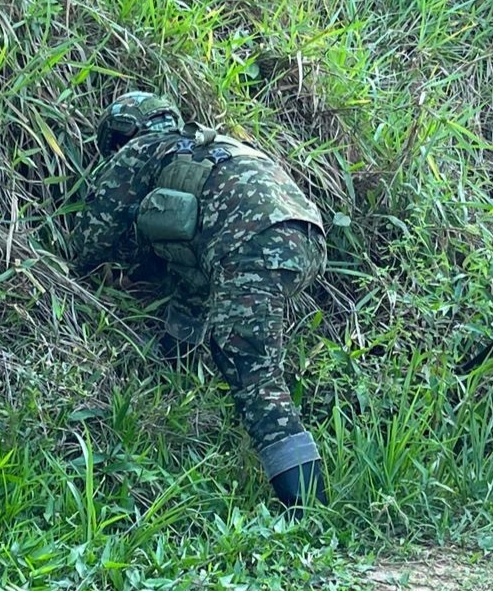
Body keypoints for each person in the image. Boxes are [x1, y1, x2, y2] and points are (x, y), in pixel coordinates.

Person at [71, 91, 329, 513]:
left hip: (250, 247)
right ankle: (177, 382)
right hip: (305, 238)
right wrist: (172, 352)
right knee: (208, 304)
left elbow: (90, 240)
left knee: (252, 372)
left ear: (120, 133)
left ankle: (309, 510)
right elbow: (194, 267)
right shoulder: (210, 148)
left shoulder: (140, 150)